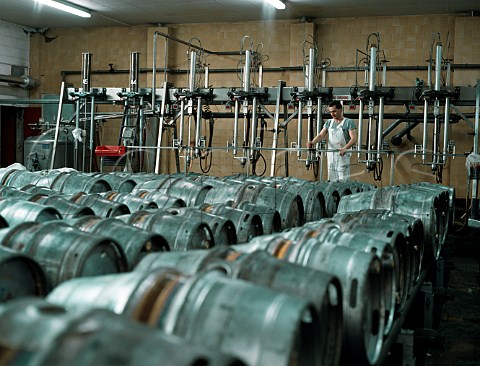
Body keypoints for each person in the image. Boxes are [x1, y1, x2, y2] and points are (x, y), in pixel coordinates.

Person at [307, 101, 357, 181]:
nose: (332, 114)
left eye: (334, 111)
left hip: (342, 156)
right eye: (330, 112)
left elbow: (354, 138)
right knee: (331, 179)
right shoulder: (329, 122)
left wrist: (345, 148)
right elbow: (320, 135)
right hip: (331, 155)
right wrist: (313, 142)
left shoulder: (348, 122)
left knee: (343, 180)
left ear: (340, 109)